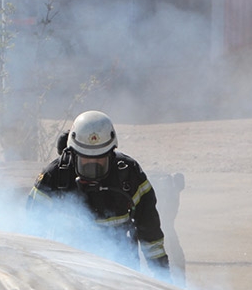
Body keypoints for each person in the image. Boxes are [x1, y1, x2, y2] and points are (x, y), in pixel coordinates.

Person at [27, 110, 170, 278]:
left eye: (100, 159)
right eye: (85, 159)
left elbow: (150, 232)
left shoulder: (129, 175)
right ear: (73, 153)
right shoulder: (54, 177)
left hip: (123, 274)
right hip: (70, 274)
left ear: (111, 153)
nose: (92, 165)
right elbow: (31, 233)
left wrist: (165, 278)